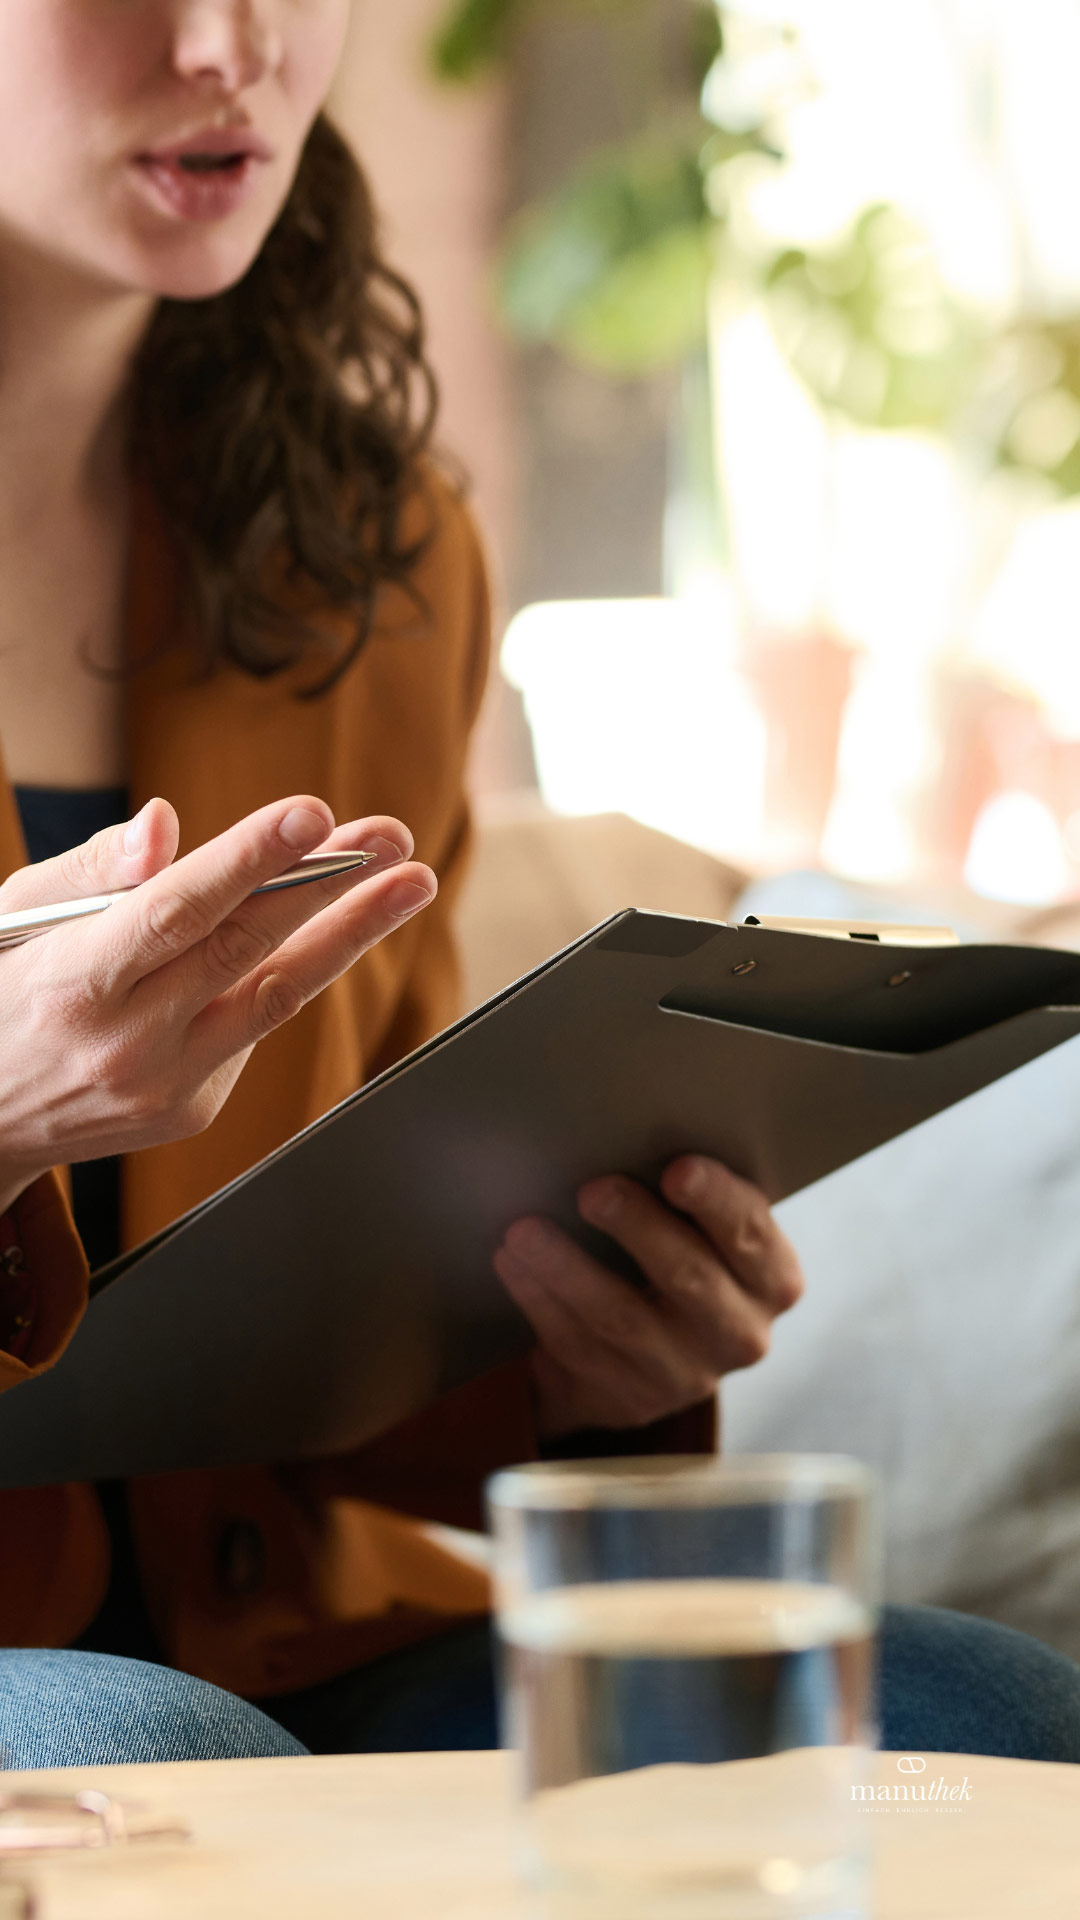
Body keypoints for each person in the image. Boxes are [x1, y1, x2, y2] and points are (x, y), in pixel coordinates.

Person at [2, 0, 1079, 1766]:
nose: (229, 43)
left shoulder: (382, 553)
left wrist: (584, 1364)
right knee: (145, 1756)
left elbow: (331, 1287)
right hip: (126, 1708)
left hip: (294, 1631)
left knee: (977, 1713)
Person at [0, 790, 435, 1765]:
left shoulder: (392, 635)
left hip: (285, 1600)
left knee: (849, 1695)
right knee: (160, 1750)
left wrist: (571, 1362)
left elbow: (388, 1199)